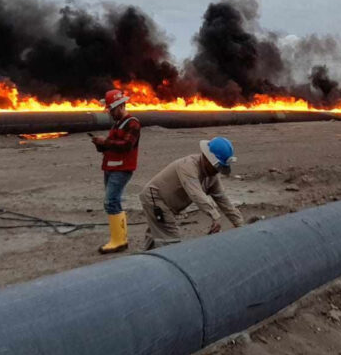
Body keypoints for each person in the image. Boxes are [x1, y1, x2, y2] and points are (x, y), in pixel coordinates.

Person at [139, 136, 243, 250]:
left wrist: (240, 225)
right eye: (217, 166)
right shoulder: (188, 166)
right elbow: (196, 193)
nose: (218, 170)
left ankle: (141, 261)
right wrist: (215, 216)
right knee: (170, 240)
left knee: (156, 234)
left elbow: (223, 199)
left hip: (168, 205)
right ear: (207, 158)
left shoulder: (212, 177)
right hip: (155, 199)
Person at [90, 89, 140, 254]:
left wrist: (106, 141)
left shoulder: (132, 123)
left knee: (111, 202)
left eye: (111, 110)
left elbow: (126, 146)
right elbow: (112, 145)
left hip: (122, 168)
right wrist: (100, 144)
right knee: (113, 201)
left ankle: (118, 241)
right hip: (111, 167)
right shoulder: (117, 124)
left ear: (120, 106)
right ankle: (120, 239)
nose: (110, 113)